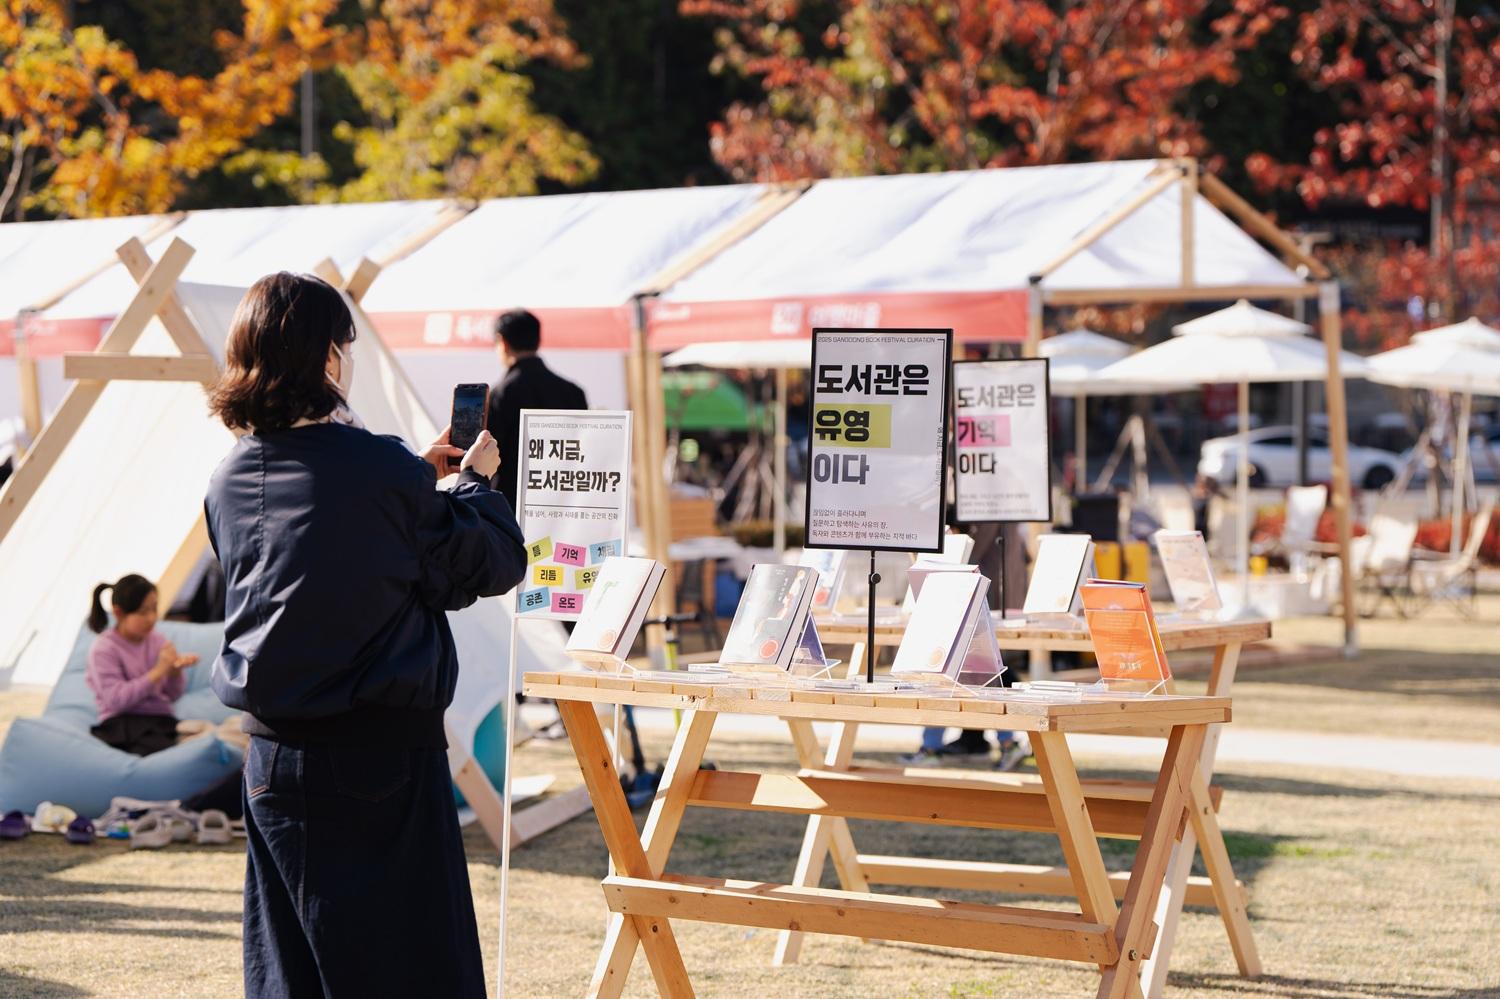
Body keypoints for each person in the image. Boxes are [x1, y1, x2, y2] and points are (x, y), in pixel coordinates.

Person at [205, 272, 527, 998]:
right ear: (327, 357)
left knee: (291, 967)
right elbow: (487, 563)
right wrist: (474, 484)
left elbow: (312, 553)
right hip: (375, 750)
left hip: (268, 756)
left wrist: (417, 475)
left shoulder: (229, 475)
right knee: (407, 965)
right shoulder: (379, 469)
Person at [85, 574, 200, 755]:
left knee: (199, 738)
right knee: (169, 750)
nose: (152, 618)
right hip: (122, 724)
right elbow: (116, 701)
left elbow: (172, 695)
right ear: (118, 613)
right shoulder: (103, 648)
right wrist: (158, 671)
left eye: (154, 609)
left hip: (160, 721)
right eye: (143, 612)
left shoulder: (157, 640)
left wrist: (174, 672)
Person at [485, 308, 588, 508]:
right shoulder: (573, 392)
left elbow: (489, 459)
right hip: (564, 506)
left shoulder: (500, 395)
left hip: (512, 509)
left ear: (502, 342)